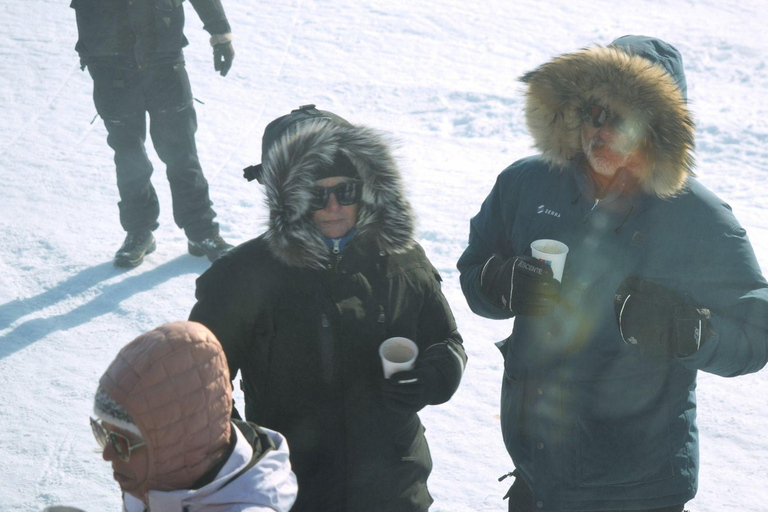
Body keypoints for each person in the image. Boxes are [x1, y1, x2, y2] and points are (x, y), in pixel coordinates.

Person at [457, 35, 768, 512]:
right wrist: (499, 284)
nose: (599, 131)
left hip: (637, 489)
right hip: (538, 476)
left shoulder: (696, 218)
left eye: (619, 117)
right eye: (593, 113)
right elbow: (474, 271)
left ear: (656, 129)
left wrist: (690, 332)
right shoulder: (527, 183)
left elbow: (757, 331)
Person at [189, 104, 468, 511]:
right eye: (315, 195)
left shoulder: (401, 257)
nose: (334, 207)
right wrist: (241, 462)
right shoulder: (243, 277)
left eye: (347, 191)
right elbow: (201, 386)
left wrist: (437, 375)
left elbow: (444, 339)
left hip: (394, 484)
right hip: (292, 488)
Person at [71, 0, 236, 267]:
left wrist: (220, 35)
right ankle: (139, 232)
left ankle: (202, 232)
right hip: (110, 67)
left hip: (164, 63)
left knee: (182, 153)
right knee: (129, 156)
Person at [91, 321, 298, 511]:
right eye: (104, 433)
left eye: (121, 442)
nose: (107, 454)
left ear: (177, 444)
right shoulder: (151, 481)